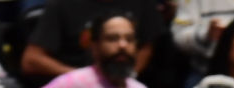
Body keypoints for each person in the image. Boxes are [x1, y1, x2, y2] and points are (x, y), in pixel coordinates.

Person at [20, 0, 161, 81]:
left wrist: (128, 77)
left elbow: (147, 46)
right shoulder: (61, 4)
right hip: (75, 86)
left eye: (129, 39)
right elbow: (31, 60)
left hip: (126, 83)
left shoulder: (143, 3)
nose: (122, 45)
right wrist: (85, 79)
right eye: (112, 39)